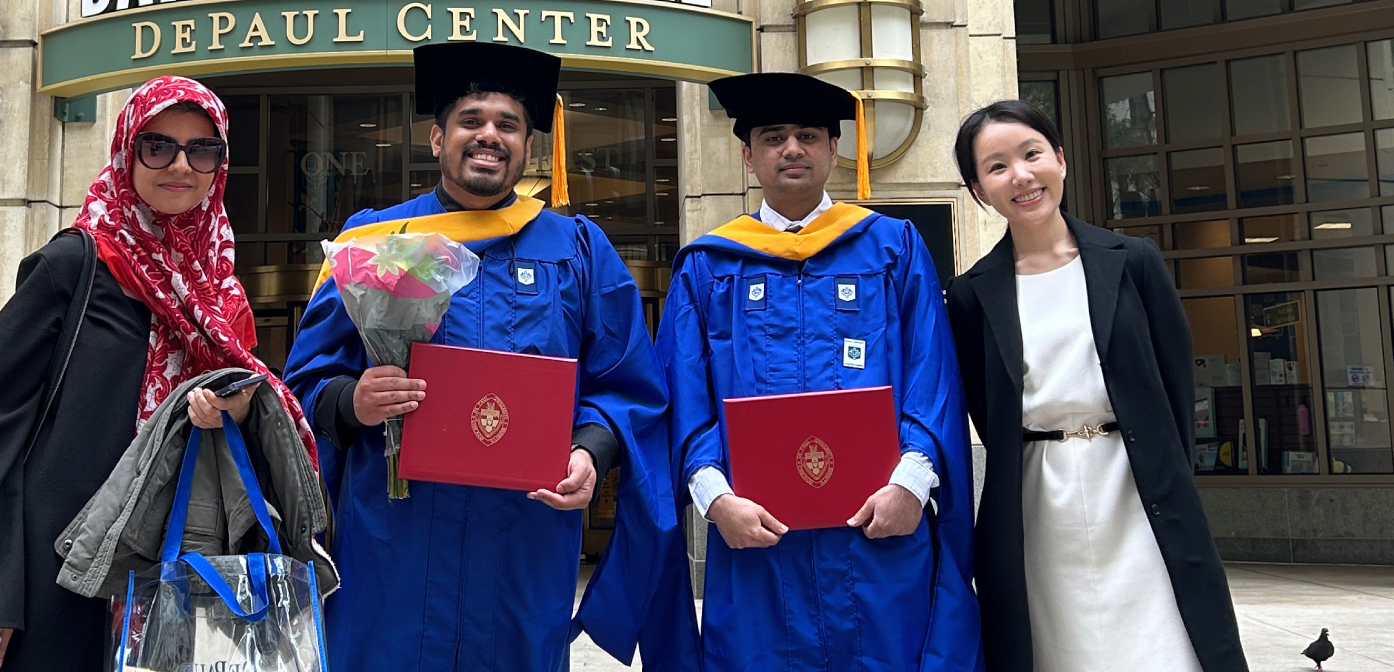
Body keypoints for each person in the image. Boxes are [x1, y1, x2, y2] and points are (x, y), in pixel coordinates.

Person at [283, 42, 698, 672]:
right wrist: (353, 400)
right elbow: (305, 383)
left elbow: (627, 385)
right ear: (437, 138)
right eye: (471, 120)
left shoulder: (578, 250)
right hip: (394, 543)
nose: (489, 136)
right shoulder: (375, 241)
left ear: (528, 146)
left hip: (523, 545)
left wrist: (590, 451)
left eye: (508, 124)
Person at [0, 76, 317, 672]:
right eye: (158, 145)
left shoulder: (217, 285)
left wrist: (238, 408)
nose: (181, 165)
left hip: (186, 566)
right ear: (126, 151)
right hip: (60, 572)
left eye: (202, 149)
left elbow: (246, 405)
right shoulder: (74, 264)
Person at [656, 72, 982, 672]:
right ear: (748, 156)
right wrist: (715, 498)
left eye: (808, 135)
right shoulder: (708, 266)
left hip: (878, 533)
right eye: (773, 137)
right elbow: (684, 394)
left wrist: (912, 483)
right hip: (757, 540)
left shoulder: (892, 248)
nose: (792, 149)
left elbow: (931, 374)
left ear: (834, 150)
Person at [944, 100, 1248, 672]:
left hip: (1137, 485)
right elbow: (986, 408)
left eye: (1032, 154)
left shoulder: (1132, 261)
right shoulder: (970, 294)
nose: (1021, 176)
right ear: (979, 189)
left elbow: (1174, 383)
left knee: (1165, 637)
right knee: (1056, 641)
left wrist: (1169, 475)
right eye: (997, 166)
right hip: (1038, 492)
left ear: (1060, 159)